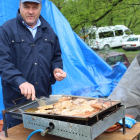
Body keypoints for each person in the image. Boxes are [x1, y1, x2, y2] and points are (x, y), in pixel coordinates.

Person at [0, 0, 66, 129]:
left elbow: (56, 57)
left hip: (43, 101)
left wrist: (56, 68)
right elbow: (2, 62)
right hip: (16, 103)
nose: (30, 11)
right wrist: (20, 81)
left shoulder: (49, 31)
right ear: (20, 6)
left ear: (40, 8)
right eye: (26, 7)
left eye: (35, 7)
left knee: (43, 134)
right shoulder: (6, 30)